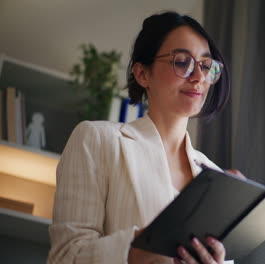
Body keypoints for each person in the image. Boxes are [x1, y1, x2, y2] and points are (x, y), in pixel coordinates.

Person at [48, 11, 242, 264]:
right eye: (182, 62)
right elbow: (65, 257)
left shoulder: (214, 176)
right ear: (142, 74)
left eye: (206, 66)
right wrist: (142, 248)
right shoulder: (96, 140)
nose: (199, 77)